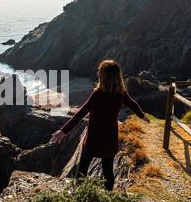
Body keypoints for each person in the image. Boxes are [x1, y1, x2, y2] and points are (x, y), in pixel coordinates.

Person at [50, 60, 150, 191]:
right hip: (110, 139)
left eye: (99, 71)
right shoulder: (120, 93)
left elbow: (81, 113)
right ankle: (108, 198)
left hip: (93, 139)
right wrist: (143, 116)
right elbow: (133, 104)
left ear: (103, 75)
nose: (98, 73)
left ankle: (79, 197)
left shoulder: (98, 94)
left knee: (82, 170)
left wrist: (63, 131)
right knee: (108, 171)